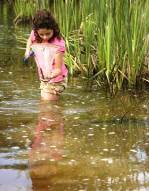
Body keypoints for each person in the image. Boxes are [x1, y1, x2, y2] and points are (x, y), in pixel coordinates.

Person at [24, 9, 68, 101]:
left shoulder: (57, 44)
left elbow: (58, 69)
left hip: (56, 80)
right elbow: (30, 40)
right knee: (45, 110)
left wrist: (50, 76)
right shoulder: (35, 34)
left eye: (48, 33)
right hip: (44, 78)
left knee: (47, 107)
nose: (45, 37)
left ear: (53, 28)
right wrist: (27, 51)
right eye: (42, 34)